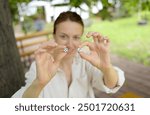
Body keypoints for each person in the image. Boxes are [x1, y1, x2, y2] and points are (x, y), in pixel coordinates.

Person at [12, 11, 125, 98]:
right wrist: (40, 83)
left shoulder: (85, 60)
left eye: (76, 37)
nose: (70, 45)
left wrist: (106, 68)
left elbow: (111, 84)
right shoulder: (41, 66)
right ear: (54, 36)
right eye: (63, 36)